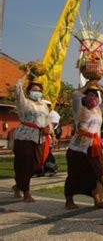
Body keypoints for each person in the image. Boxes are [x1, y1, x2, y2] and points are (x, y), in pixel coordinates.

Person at [64, 80, 103, 209]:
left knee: (98, 172)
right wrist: (87, 85)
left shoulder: (98, 110)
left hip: (95, 147)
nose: (92, 97)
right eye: (89, 95)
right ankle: (69, 200)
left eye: (94, 95)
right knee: (75, 173)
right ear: (84, 98)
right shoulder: (78, 109)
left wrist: (100, 87)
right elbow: (75, 95)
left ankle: (97, 200)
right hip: (78, 147)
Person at [12, 70, 51, 202]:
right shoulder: (24, 103)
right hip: (25, 137)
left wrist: (51, 134)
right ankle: (26, 192)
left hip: (40, 137)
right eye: (34, 89)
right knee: (24, 164)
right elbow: (17, 87)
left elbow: (47, 120)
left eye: (39, 90)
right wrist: (27, 75)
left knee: (37, 165)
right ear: (29, 92)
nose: (37, 92)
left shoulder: (44, 105)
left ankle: (18, 185)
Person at [42, 100, 60, 176]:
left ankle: (52, 167)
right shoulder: (43, 114)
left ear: (49, 107)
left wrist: (53, 137)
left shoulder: (54, 115)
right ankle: (42, 169)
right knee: (42, 153)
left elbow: (51, 127)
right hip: (41, 135)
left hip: (49, 135)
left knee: (47, 153)